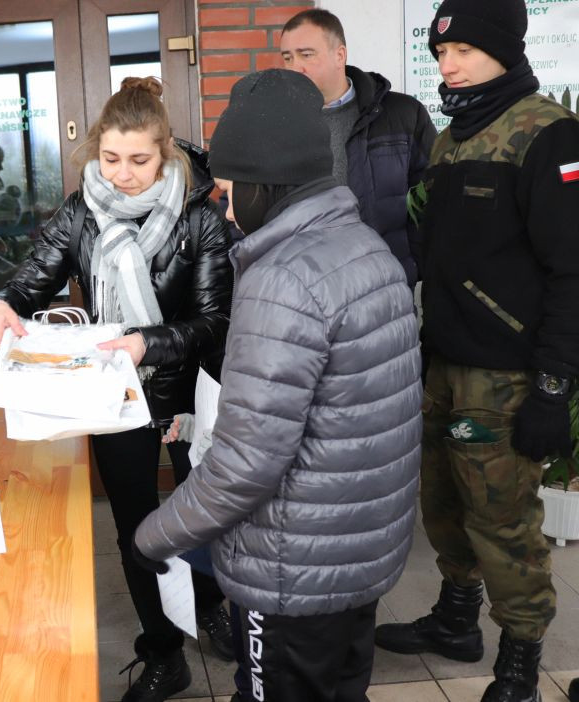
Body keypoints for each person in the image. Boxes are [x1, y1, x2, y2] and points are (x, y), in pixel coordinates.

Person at [133, 69, 422, 702]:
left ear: (269, 184)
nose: (228, 209)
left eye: (233, 191)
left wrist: (156, 535)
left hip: (293, 570)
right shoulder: (365, 247)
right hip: (353, 553)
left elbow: (245, 465)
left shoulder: (283, 279)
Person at [0, 77, 233, 702]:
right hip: (115, 396)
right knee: (134, 527)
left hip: (188, 390)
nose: (122, 174)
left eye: (139, 161)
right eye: (111, 159)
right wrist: (3, 305)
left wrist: (149, 342)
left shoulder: (199, 215)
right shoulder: (80, 210)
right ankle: (164, 652)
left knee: (210, 518)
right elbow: (33, 278)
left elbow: (213, 321)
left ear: (166, 151)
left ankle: (213, 608)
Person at [373, 2, 579, 700]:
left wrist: (554, 388)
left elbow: (573, 271)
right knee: (443, 506)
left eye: (461, 49)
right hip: (443, 362)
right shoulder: (453, 138)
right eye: (439, 53)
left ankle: (520, 659)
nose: (447, 64)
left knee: (504, 525)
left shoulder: (546, 134)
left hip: (507, 375)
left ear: (503, 48)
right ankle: (455, 620)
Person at [279, 8, 436, 286]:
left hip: (387, 283)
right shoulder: (275, 125)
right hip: (307, 289)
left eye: (306, 54)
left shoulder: (403, 115)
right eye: (288, 57)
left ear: (340, 55)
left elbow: (433, 202)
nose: (295, 67)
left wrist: (415, 266)